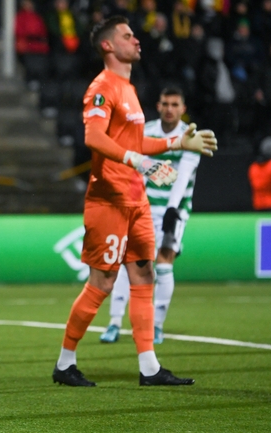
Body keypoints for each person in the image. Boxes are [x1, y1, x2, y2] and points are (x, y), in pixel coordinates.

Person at [52, 16, 216, 388]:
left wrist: (176, 144)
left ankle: (149, 368)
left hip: (136, 198)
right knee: (103, 281)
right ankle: (65, 363)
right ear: (109, 46)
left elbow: (136, 143)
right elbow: (94, 137)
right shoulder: (102, 87)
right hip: (108, 199)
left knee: (144, 274)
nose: (136, 40)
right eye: (128, 36)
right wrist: (136, 161)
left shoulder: (129, 88)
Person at [99, 87, 201, 345]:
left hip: (173, 210)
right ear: (158, 105)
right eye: (165, 103)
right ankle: (114, 323)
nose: (169, 108)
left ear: (182, 109)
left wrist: (172, 210)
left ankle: (156, 326)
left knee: (163, 263)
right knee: (129, 261)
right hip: (142, 207)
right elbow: (133, 166)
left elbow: (184, 175)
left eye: (175, 104)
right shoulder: (145, 131)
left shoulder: (190, 136)